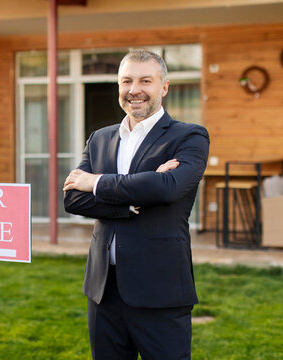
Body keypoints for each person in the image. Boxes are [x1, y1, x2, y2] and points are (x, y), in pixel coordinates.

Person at [63, 49, 210, 360]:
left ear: (164, 87)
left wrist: (97, 183)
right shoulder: (99, 138)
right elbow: (73, 197)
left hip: (160, 289)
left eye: (145, 80)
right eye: (126, 81)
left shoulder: (189, 137)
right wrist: (130, 203)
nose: (134, 90)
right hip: (103, 291)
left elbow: (167, 187)